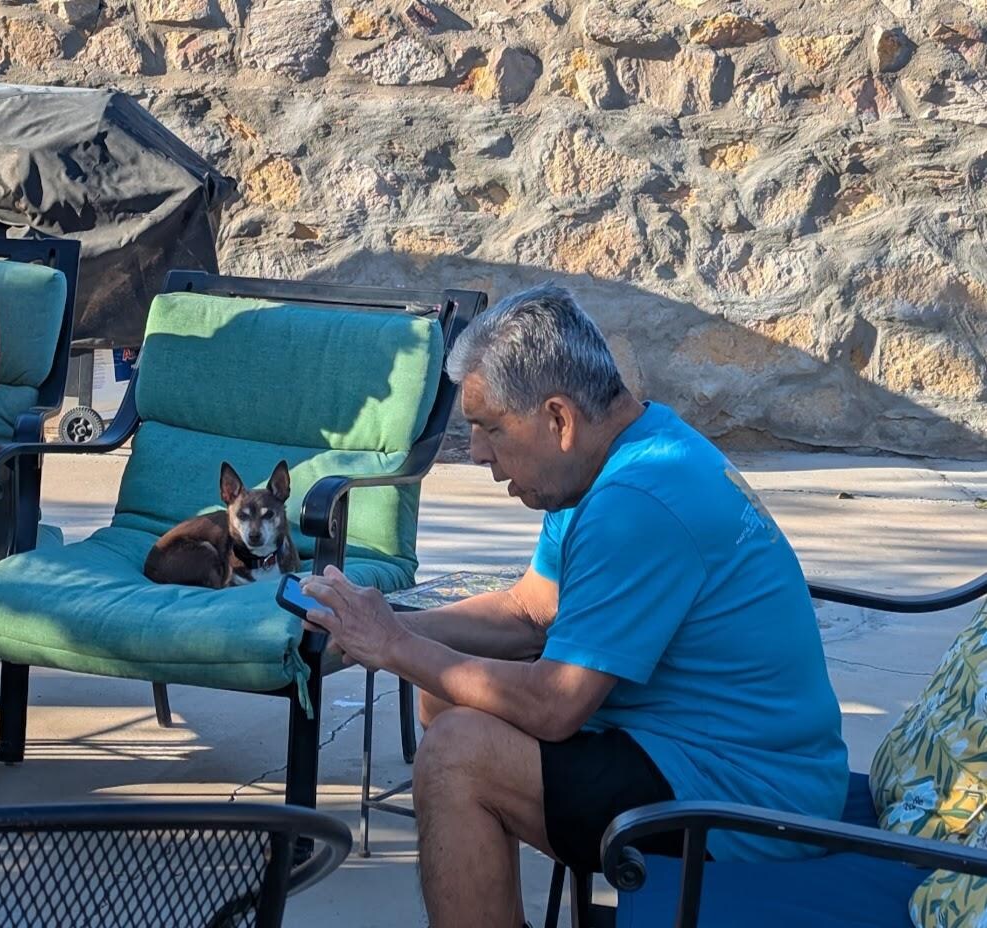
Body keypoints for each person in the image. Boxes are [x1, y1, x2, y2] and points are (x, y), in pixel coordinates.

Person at [302, 283, 848, 927]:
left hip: (746, 796)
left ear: (558, 419)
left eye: (489, 428)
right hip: (693, 749)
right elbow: (530, 610)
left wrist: (396, 648)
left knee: (456, 756)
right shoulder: (615, 459)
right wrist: (391, 624)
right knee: (446, 690)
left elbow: (554, 705)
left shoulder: (636, 503)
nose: (477, 454)